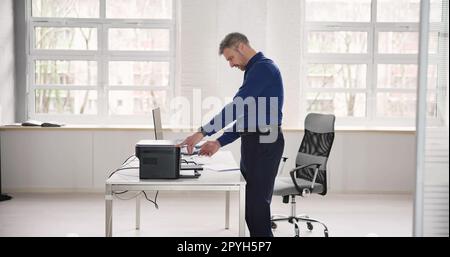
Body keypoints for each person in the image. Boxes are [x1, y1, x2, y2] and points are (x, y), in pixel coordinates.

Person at [179, 32, 284, 237]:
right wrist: (218, 142)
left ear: (241, 47)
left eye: (230, 58)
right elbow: (248, 118)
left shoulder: (263, 68)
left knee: (257, 208)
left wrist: (201, 133)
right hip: (254, 142)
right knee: (250, 208)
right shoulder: (254, 70)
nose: (230, 64)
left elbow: (236, 107)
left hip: (265, 143)